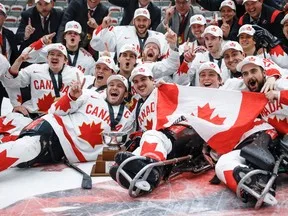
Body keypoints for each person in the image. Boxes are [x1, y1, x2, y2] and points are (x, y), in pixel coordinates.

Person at [0, 74, 134, 172]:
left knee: (22, 161)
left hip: (61, 152)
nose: (114, 88)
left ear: (126, 93)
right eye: (111, 85)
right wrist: (71, 97)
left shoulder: (128, 117)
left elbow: (116, 146)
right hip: (52, 130)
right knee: (24, 148)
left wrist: (103, 170)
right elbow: (54, 111)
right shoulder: (90, 95)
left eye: (119, 86)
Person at [109, 65, 205, 194]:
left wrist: (169, 88)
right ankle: (143, 183)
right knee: (117, 167)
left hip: (178, 138)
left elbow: (184, 91)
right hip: (156, 144)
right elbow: (126, 130)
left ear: (152, 80)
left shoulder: (161, 90)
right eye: (136, 81)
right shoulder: (137, 106)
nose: (140, 84)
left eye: (143, 79)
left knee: (151, 135)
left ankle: (154, 173)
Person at [90, 8, 169, 59]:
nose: (141, 23)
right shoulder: (120, 32)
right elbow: (97, 45)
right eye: (138, 20)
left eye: (144, 20)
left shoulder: (159, 37)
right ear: (133, 21)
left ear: (149, 22)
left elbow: (166, 59)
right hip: (125, 74)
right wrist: (103, 26)